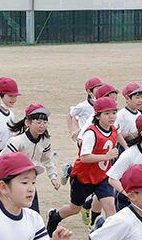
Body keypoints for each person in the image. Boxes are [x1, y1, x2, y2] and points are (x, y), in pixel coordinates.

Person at [48, 94, 120, 232]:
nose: (112, 116)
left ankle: (107, 238)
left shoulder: (113, 129)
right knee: (74, 209)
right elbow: (84, 157)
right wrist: (106, 156)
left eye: (114, 112)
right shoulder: (91, 133)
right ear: (97, 116)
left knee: (111, 208)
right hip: (83, 177)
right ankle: (55, 217)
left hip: (103, 177)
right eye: (107, 113)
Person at [2, 104, 59, 214]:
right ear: (28, 122)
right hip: (14, 182)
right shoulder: (17, 142)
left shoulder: (44, 141)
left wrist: (53, 177)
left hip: (30, 182)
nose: (42, 126)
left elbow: (48, 160)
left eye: (45, 123)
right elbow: (2, 160)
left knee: (33, 213)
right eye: (38, 122)